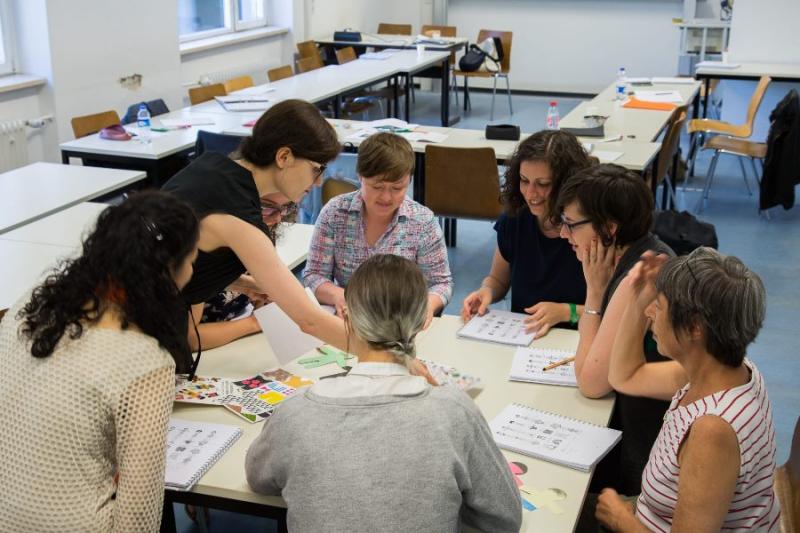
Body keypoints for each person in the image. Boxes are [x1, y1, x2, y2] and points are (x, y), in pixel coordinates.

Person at [246, 255, 522, 533]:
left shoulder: (295, 411)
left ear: (345, 315)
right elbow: (504, 516)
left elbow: (259, 479)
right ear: (422, 321)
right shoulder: (454, 411)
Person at [0, 191, 199, 531]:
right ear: (168, 273)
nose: (194, 270)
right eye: (193, 260)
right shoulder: (144, 361)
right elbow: (139, 517)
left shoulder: (26, 310)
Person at [596, 248, 780, 531]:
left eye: (658, 306)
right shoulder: (722, 371)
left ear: (695, 326)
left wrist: (621, 519)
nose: (650, 313)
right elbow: (626, 376)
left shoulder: (713, 431)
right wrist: (637, 303)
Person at [162, 99, 348, 353]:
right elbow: (309, 320)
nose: (318, 182)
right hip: (136, 341)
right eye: (316, 169)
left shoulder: (210, 169)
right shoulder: (240, 218)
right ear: (284, 157)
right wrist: (386, 356)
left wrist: (244, 284)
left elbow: (185, 267)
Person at [555, 163, 674, 496]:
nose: (564, 235)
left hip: (648, 459)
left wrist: (593, 291)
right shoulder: (648, 251)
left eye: (571, 225)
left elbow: (592, 382)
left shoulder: (639, 276)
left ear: (608, 228)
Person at [303, 132, 452, 325]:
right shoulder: (335, 213)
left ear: (409, 180)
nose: (386, 198)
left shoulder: (422, 221)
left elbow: (441, 283)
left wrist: (427, 306)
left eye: (397, 188)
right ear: (360, 177)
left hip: (401, 322)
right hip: (349, 320)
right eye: (377, 186)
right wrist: (339, 296)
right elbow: (313, 274)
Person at [461, 130, 593, 336]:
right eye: (524, 180)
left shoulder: (589, 229)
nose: (530, 194)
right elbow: (498, 280)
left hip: (578, 338)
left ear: (567, 184)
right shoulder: (514, 220)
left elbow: (611, 312)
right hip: (525, 336)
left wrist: (566, 312)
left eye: (543, 184)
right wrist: (486, 291)